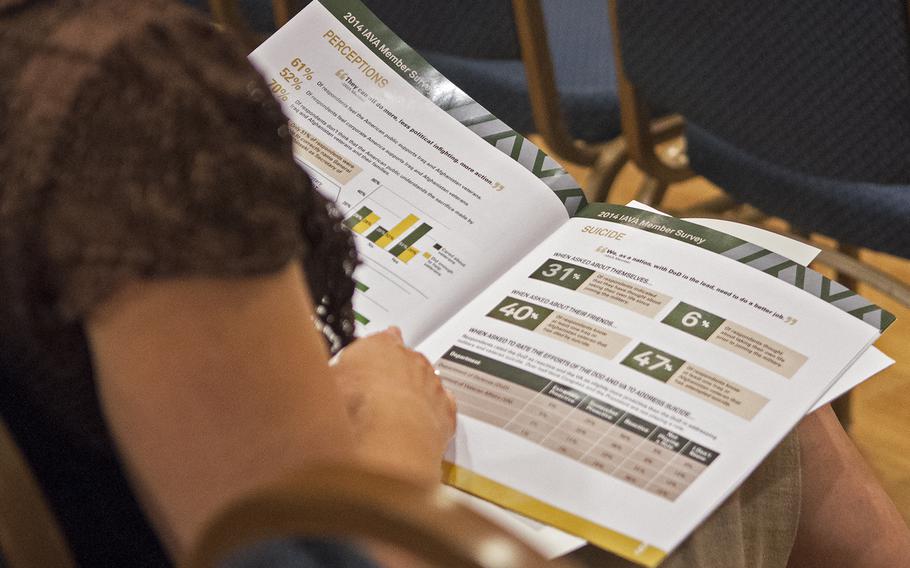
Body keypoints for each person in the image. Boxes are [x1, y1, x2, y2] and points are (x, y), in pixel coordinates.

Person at [0, 1, 907, 567]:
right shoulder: (121, 98)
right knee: (754, 399)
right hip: (373, 507)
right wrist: (394, 425)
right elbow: (310, 550)